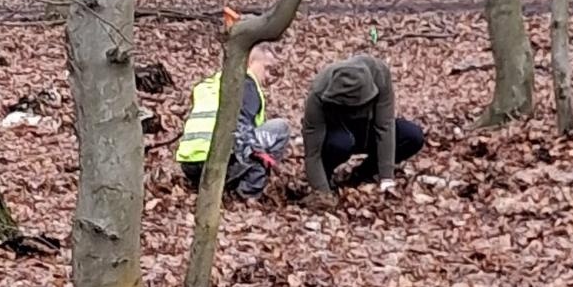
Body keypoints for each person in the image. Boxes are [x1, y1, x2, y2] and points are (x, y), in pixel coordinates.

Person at [176, 43, 290, 198]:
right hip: (217, 163)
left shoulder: (210, 83)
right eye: (267, 68)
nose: (269, 77)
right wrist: (261, 159)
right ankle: (246, 194)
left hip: (189, 165)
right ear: (250, 62)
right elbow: (242, 129)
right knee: (280, 128)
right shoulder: (245, 84)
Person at [302, 54, 424, 195]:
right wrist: (323, 194)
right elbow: (313, 153)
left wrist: (386, 178)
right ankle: (327, 177)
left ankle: (364, 174)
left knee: (412, 136)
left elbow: (385, 127)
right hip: (337, 134)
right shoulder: (319, 92)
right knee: (340, 143)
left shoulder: (380, 74)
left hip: (368, 128)